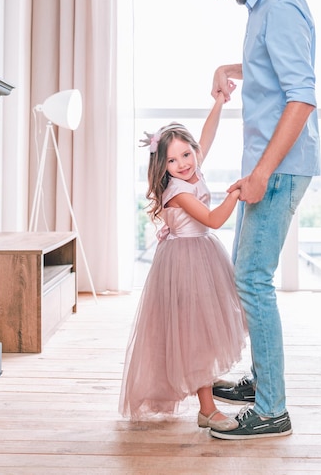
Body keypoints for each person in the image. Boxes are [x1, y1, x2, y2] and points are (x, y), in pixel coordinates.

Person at [185, 0, 320, 440]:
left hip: (277, 168)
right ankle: (263, 382)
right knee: (248, 276)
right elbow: (271, 68)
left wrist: (263, 172)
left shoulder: (280, 6)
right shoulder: (263, 7)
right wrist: (228, 65)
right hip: (266, 165)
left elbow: (302, 95)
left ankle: (273, 409)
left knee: (253, 282)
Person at [119, 87, 247, 432]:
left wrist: (218, 103)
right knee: (195, 334)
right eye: (172, 161)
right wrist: (236, 193)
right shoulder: (177, 191)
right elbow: (214, 219)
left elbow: (208, 133)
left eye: (187, 155)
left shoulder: (192, 168)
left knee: (204, 329)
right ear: (163, 166)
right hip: (186, 263)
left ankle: (208, 401)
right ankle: (207, 409)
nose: (183, 165)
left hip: (203, 255)